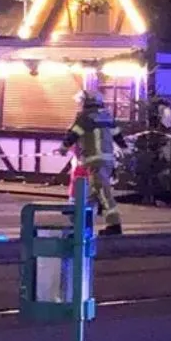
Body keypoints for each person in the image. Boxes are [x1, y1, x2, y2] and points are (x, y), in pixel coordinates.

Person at [58, 91, 128, 236]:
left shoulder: (84, 117)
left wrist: (63, 148)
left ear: (86, 102)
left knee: (103, 193)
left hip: (94, 161)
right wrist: (125, 149)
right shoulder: (107, 116)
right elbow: (118, 135)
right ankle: (81, 227)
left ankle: (114, 225)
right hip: (107, 161)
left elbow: (73, 134)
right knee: (90, 195)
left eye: (81, 102)